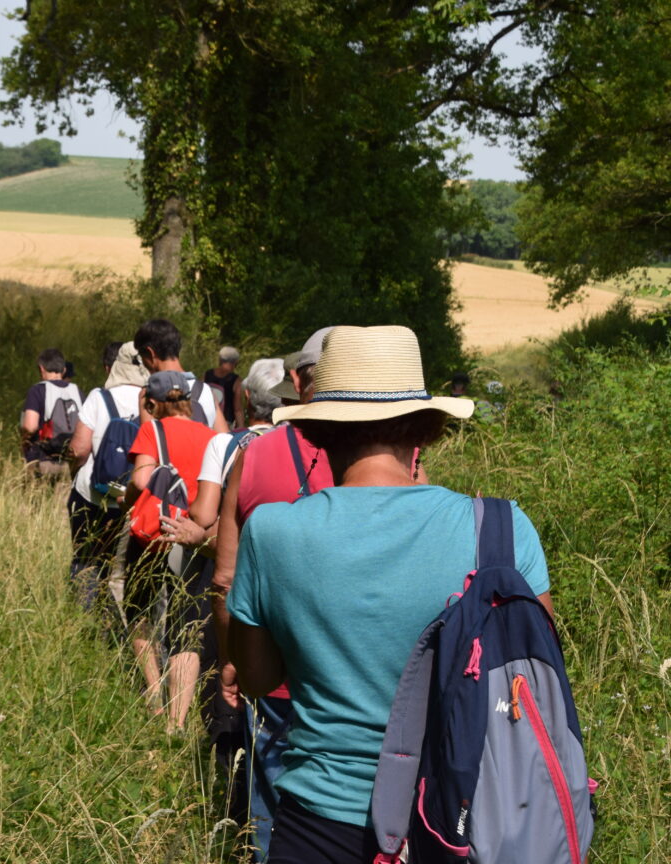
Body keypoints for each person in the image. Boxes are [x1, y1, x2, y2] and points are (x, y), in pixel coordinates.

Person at [224, 325, 550, 864]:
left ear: (320, 430)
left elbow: (259, 679)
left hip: (319, 823)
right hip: (466, 821)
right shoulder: (501, 530)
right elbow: (535, 682)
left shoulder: (272, 532)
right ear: (424, 427)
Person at [206, 329, 334, 861]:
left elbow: (225, 581)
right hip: (375, 679)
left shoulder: (255, 456)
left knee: (273, 807)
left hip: (276, 673)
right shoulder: (404, 460)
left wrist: (234, 658)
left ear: (298, 381)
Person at [122, 370, 217, 733]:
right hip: (194, 537)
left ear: (154, 402)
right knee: (187, 624)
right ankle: (177, 722)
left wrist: (128, 501)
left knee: (141, 612)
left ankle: (154, 695)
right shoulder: (214, 438)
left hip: (152, 534)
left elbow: (141, 480)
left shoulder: (153, 429)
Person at [67, 341, 147, 607]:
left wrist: (73, 472)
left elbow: (79, 449)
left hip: (91, 492)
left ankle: (82, 615)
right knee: (107, 560)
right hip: (128, 497)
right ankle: (103, 615)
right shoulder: (151, 402)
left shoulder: (99, 397)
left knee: (84, 557)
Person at [132, 318, 229, 433]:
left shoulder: (150, 395)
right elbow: (225, 440)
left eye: (142, 358)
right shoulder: (206, 391)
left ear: (150, 353)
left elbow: (148, 443)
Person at [21, 348, 83, 478]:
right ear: (64, 370)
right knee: (63, 498)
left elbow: (30, 426)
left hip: (41, 459)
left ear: (41, 368)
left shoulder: (37, 390)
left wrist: (24, 442)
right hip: (70, 461)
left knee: (36, 497)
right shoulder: (77, 391)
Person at [204, 346, 244, 428]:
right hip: (225, 423)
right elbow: (238, 409)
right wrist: (241, 428)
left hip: (207, 420)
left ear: (220, 360)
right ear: (235, 363)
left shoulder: (207, 375)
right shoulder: (236, 380)